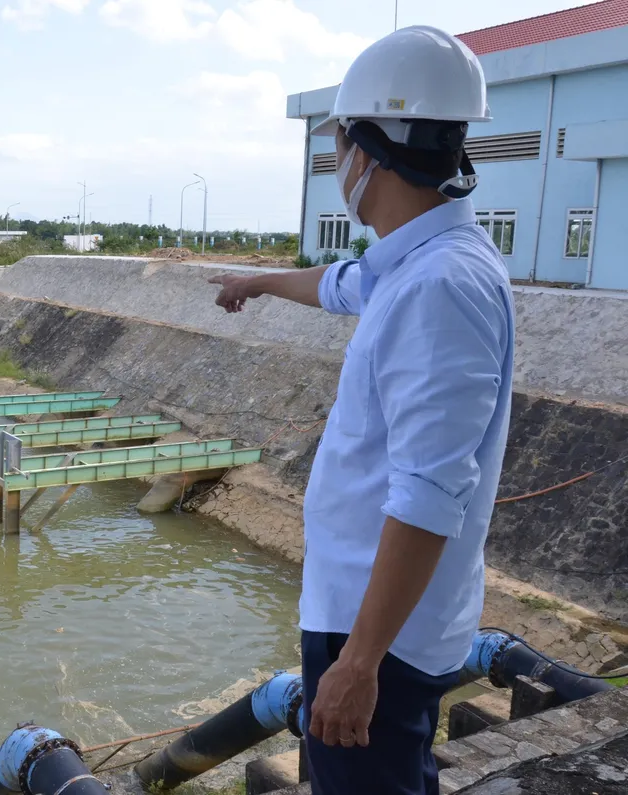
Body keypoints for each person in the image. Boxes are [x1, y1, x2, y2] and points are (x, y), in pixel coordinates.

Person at [208, 26, 515, 795]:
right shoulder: (416, 264)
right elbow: (342, 284)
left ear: (371, 149)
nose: (336, 158)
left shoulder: (438, 288)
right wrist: (260, 281)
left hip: (379, 636)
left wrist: (359, 663)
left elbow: (427, 492)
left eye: (340, 139)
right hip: (371, 615)